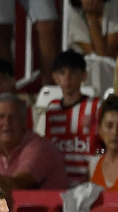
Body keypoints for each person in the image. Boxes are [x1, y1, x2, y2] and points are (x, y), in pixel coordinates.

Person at [43, 50, 102, 186]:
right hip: (58, 183)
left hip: (89, 183)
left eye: (73, 72)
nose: (67, 78)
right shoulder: (52, 109)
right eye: (62, 73)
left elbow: (103, 146)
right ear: (55, 77)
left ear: (84, 76)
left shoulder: (96, 106)